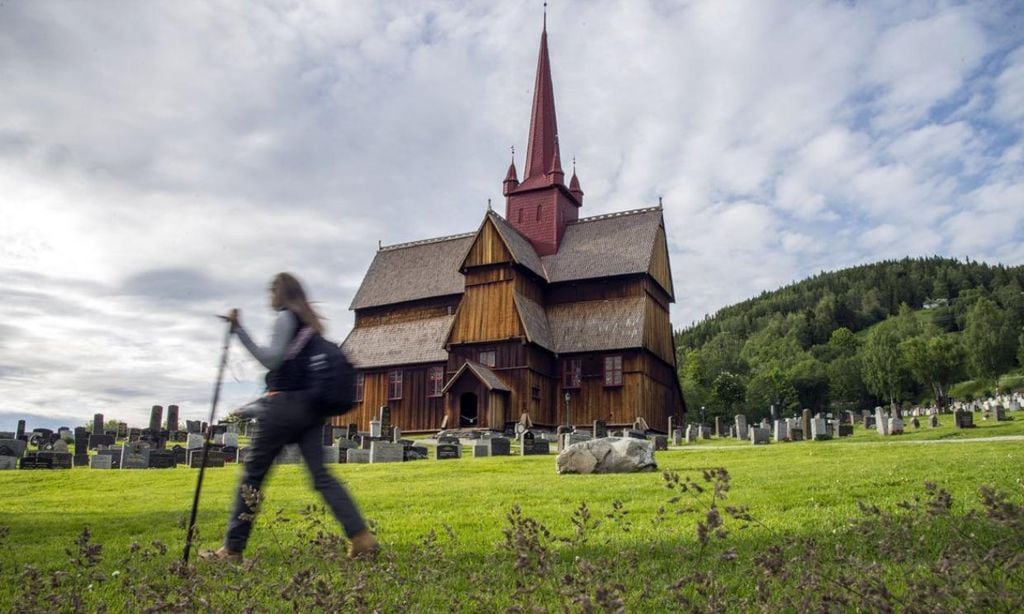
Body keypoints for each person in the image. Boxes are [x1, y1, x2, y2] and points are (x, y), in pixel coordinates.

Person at [200, 272, 378, 563]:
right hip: (310, 410)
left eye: (271, 291)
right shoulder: (311, 327)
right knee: (322, 478)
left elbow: (271, 360)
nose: (268, 297)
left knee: (252, 478)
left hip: (282, 410)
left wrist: (240, 331)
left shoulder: (286, 318)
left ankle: (231, 550)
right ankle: (361, 538)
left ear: (280, 293)